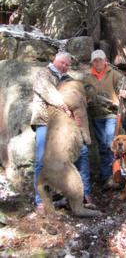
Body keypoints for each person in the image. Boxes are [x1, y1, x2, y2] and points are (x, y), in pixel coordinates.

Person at [30, 52, 92, 213]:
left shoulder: (67, 79)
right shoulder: (43, 73)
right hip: (45, 121)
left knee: (83, 153)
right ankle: (41, 201)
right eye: (62, 63)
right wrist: (63, 105)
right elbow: (46, 91)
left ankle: (84, 195)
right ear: (54, 61)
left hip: (66, 125)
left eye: (67, 64)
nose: (64, 66)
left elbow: (79, 97)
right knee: (41, 160)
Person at [84, 49, 126, 189]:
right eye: (95, 60)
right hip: (96, 116)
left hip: (112, 115)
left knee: (112, 145)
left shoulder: (115, 75)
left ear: (105, 61)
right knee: (104, 147)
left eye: (100, 59)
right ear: (92, 62)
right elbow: (87, 95)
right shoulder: (87, 78)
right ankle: (107, 178)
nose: (98, 62)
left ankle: (120, 175)